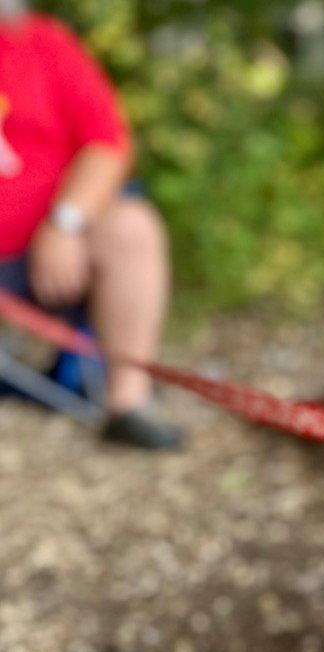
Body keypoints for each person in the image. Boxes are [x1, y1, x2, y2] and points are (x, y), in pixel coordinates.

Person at [0, 0, 182, 448]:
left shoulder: (46, 45)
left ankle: (129, 402)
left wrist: (66, 223)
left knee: (132, 226)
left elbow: (107, 143)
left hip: (46, 252)